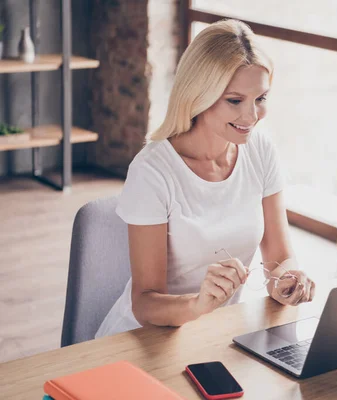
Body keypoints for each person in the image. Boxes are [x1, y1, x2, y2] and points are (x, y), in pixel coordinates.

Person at [95, 19, 315, 339]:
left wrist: (287, 281)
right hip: (145, 338)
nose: (251, 116)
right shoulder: (153, 171)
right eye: (235, 100)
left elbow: (279, 258)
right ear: (200, 94)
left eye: (261, 99)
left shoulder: (261, 150)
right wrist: (196, 305)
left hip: (215, 334)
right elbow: (144, 303)